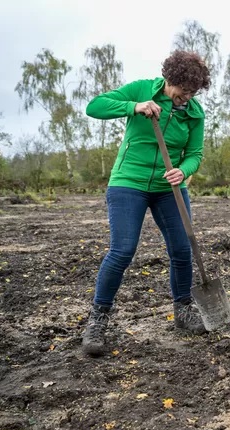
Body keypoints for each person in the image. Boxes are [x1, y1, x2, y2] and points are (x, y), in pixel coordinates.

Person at [81, 50, 211, 356]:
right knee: (122, 250)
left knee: (182, 248)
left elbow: (195, 153)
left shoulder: (195, 113)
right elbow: (94, 107)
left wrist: (185, 169)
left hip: (168, 187)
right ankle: (98, 318)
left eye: (193, 93)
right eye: (182, 91)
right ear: (168, 80)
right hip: (128, 183)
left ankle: (183, 308)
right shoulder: (142, 89)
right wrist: (133, 106)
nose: (186, 98)